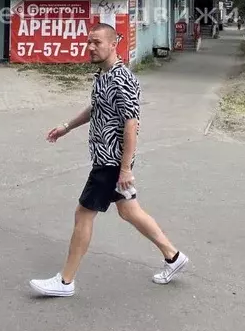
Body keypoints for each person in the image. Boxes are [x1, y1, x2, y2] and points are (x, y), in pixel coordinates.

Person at [29, 23, 188, 297]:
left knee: (83, 214)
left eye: (97, 43)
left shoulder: (122, 79)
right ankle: (173, 257)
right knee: (128, 210)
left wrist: (125, 168)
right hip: (109, 160)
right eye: (89, 42)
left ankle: (65, 282)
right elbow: (96, 107)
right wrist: (67, 127)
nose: (90, 47)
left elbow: (131, 125)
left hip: (111, 162)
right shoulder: (104, 75)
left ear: (114, 44)